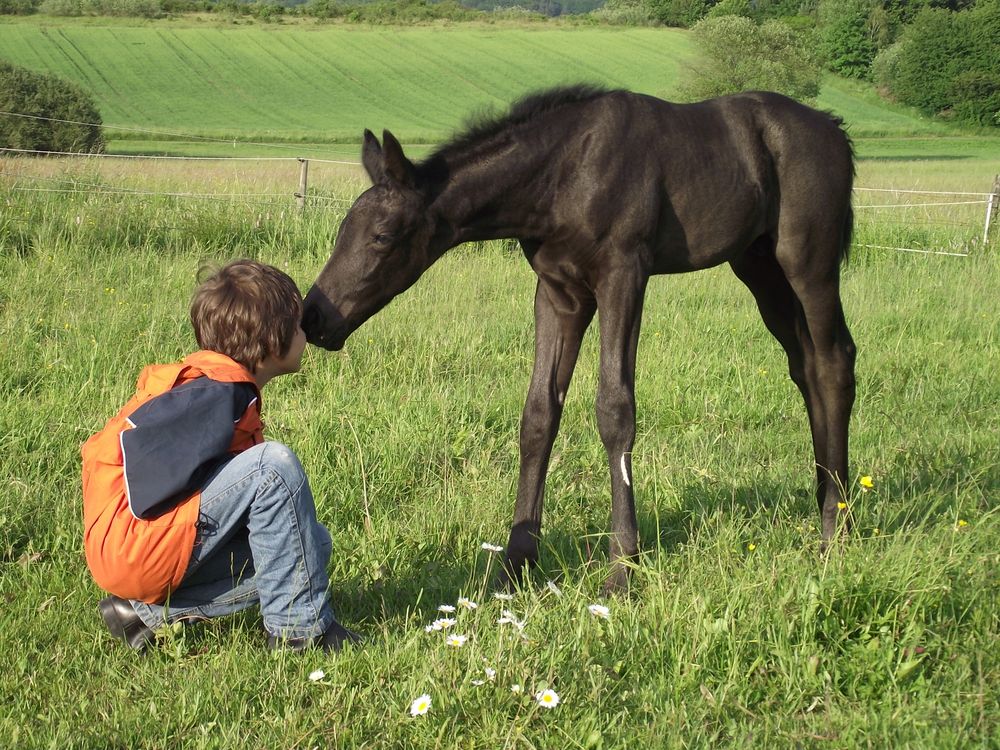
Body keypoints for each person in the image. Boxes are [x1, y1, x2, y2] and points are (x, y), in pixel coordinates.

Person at [81, 259, 359, 653]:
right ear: (268, 343)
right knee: (272, 466)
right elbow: (145, 467)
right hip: (137, 540)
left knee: (309, 543)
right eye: (296, 325)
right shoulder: (214, 392)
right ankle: (301, 632)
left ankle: (141, 615)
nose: (304, 333)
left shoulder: (221, 387)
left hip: (133, 547)